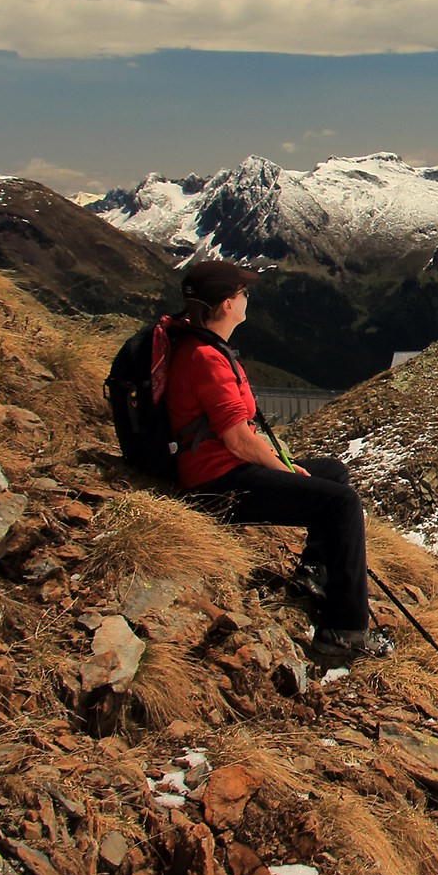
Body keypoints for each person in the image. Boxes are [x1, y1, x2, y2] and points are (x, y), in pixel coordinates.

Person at [162, 261, 383, 658]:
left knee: (331, 472)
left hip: (223, 470)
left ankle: (315, 571)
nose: (248, 298)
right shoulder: (205, 358)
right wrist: (283, 469)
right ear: (227, 304)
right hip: (219, 484)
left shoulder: (204, 347)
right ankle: (345, 630)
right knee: (342, 503)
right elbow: (236, 438)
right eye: (242, 293)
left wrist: (285, 466)